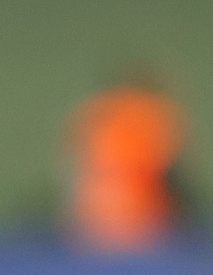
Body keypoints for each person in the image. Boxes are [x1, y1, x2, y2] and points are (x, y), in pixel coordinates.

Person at [66, 69, 193, 253]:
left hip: (87, 224)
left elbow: (72, 170)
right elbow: (170, 174)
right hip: (139, 225)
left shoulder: (93, 113)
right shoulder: (149, 115)